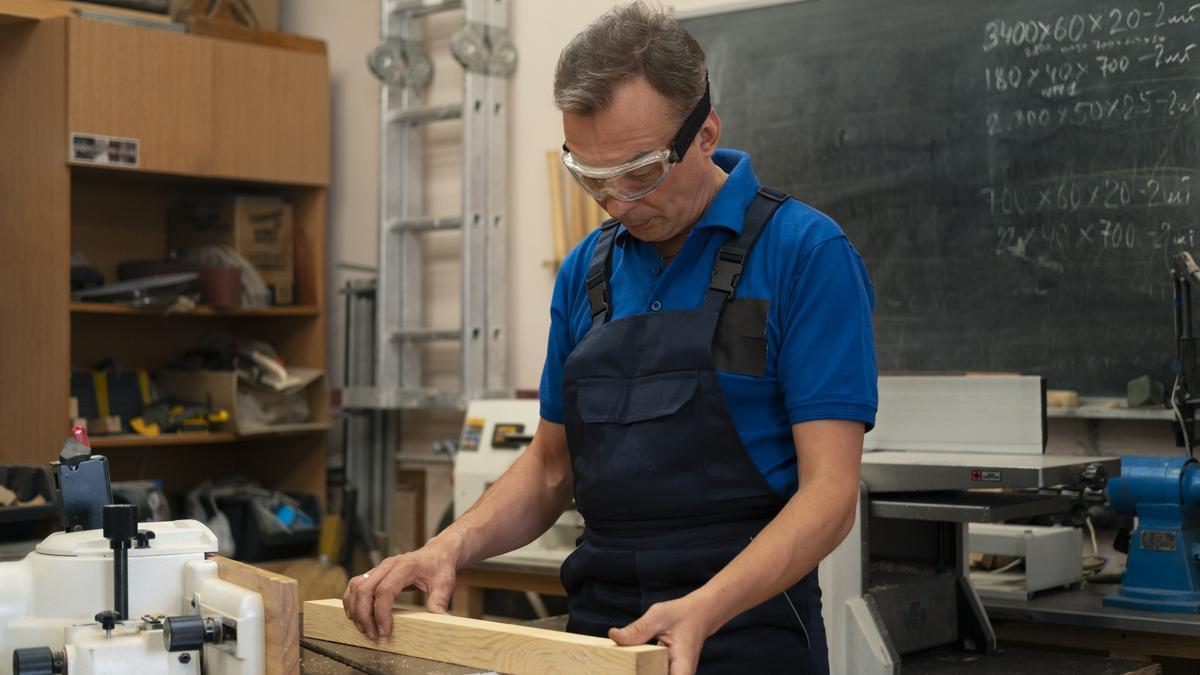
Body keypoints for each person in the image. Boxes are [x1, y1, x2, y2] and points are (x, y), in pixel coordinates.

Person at [343, 3, 877, 673]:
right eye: (590, 177)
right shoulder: (584, 272)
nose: (617, 202)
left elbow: (829, 496)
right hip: (599, 644)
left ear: (705, 132)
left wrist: (705, 606)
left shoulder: (805, 253)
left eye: (639, 171)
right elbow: (549, 467)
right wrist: (448, 546)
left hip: (746, 637)